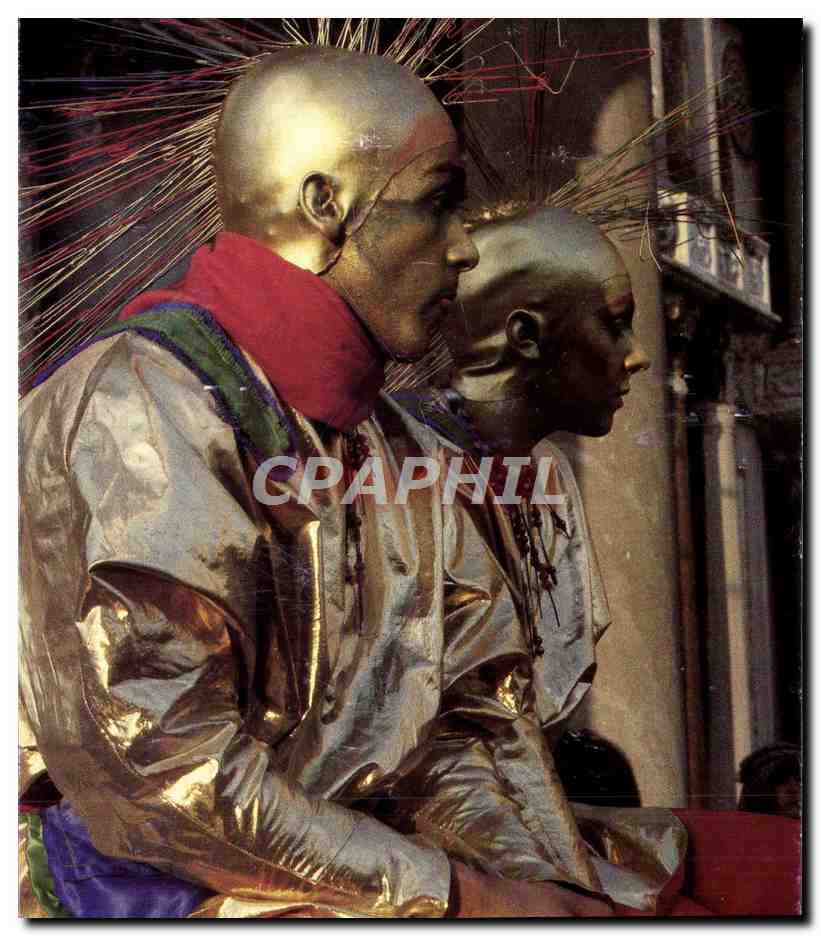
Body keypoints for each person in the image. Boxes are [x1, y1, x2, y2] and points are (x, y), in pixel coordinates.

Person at [19, 49, 614, 919]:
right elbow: (163, 774)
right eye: (437, 201)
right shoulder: (134, 411)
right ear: (323, 206)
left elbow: (464, 727)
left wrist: (537, 886)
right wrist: (458, 894)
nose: (463, 248)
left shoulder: (397, 443)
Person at [396, 204, 801, 917]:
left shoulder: (545, 475)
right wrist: (550, 888)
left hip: (532, 825)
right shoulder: (394, 468)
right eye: (613, 325)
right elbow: (423, 745)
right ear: (525, 336)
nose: (636, 356)